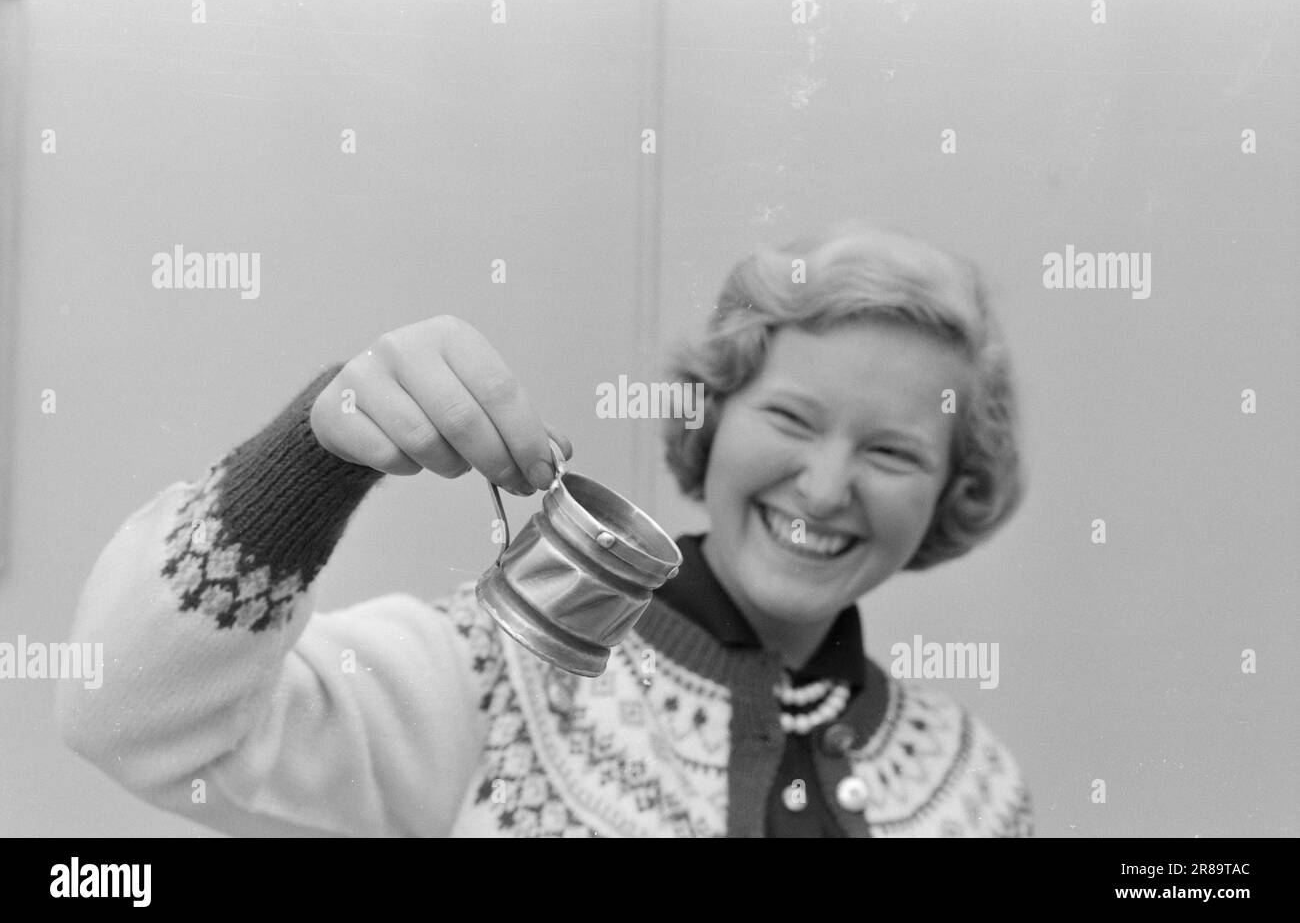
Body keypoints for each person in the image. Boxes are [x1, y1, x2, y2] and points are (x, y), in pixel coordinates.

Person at [57, 220, 1033, 837]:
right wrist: (314, 459)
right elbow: (138, 726)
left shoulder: (977, 787)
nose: (824, 487)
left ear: (952, 492)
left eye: (893, 453)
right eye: (789, 418)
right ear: (711, 421)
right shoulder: (484, 679)